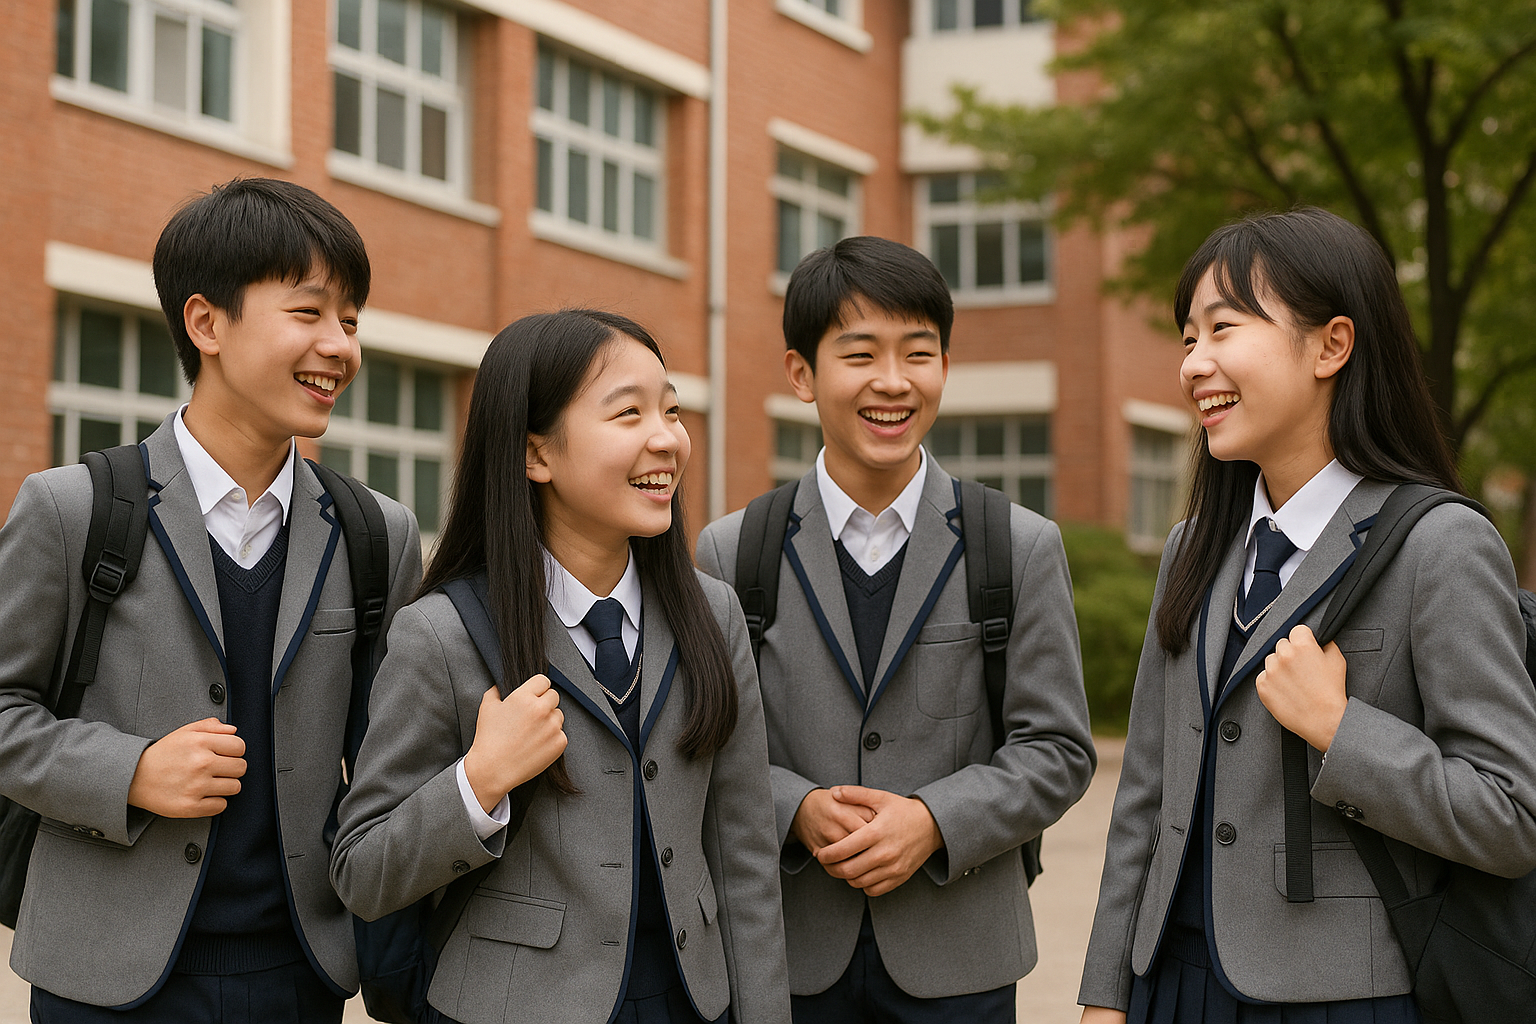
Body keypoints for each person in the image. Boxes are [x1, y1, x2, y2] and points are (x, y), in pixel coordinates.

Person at [1078, 207, 1536, 1024]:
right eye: (1188, 338)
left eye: (1222, 329)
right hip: (1171, 989)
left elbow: (1509, 815)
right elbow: (1144, 797)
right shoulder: (1193, 547)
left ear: (1332, 345)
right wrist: (1107, 995)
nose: (1194, 364)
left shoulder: (1441, 546)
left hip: (1344, 999)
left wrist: (1341, 729)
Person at [0, 177, 422, 1021]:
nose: (341, 346)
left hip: (300, 976)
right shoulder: (71, 510)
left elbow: (391, 765)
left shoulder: (378, 534)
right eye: (310, 313)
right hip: (102, 978)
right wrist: (130, 771)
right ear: (206, 323)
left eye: (351, 321)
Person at [330, 309, 792, 1024]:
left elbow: (746, 860)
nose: (666, 438)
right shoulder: (441, 635)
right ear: (535, 455)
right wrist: (478, 783)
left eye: (671, 410)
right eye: (628, 413)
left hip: (690, 1004)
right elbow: (362, 871)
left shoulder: (714, 613)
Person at [695, 235, 1097, 1023]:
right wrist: (796, 809)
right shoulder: (732, 550)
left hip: (962, 964)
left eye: (919, 353)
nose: (893, 382)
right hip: (786, 958)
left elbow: (1058, 749)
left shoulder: (1016, 546)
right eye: (860, 353)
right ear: (801, 374)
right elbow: (701, 746)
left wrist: (935, 820)